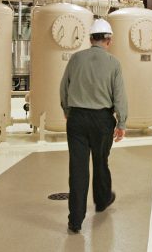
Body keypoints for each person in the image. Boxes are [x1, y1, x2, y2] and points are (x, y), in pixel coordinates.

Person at [59, 18, 128, 234]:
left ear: (90, 39)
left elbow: (64, 89)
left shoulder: (76, 59)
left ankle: (75, 220)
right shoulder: (114, 63)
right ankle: (102, 200)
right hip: (102, 120)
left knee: (77, 169)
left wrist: (68, 112)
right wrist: (122, 122)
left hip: (77, 119)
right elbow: (120, 96)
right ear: (109, 40)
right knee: (100, 162)